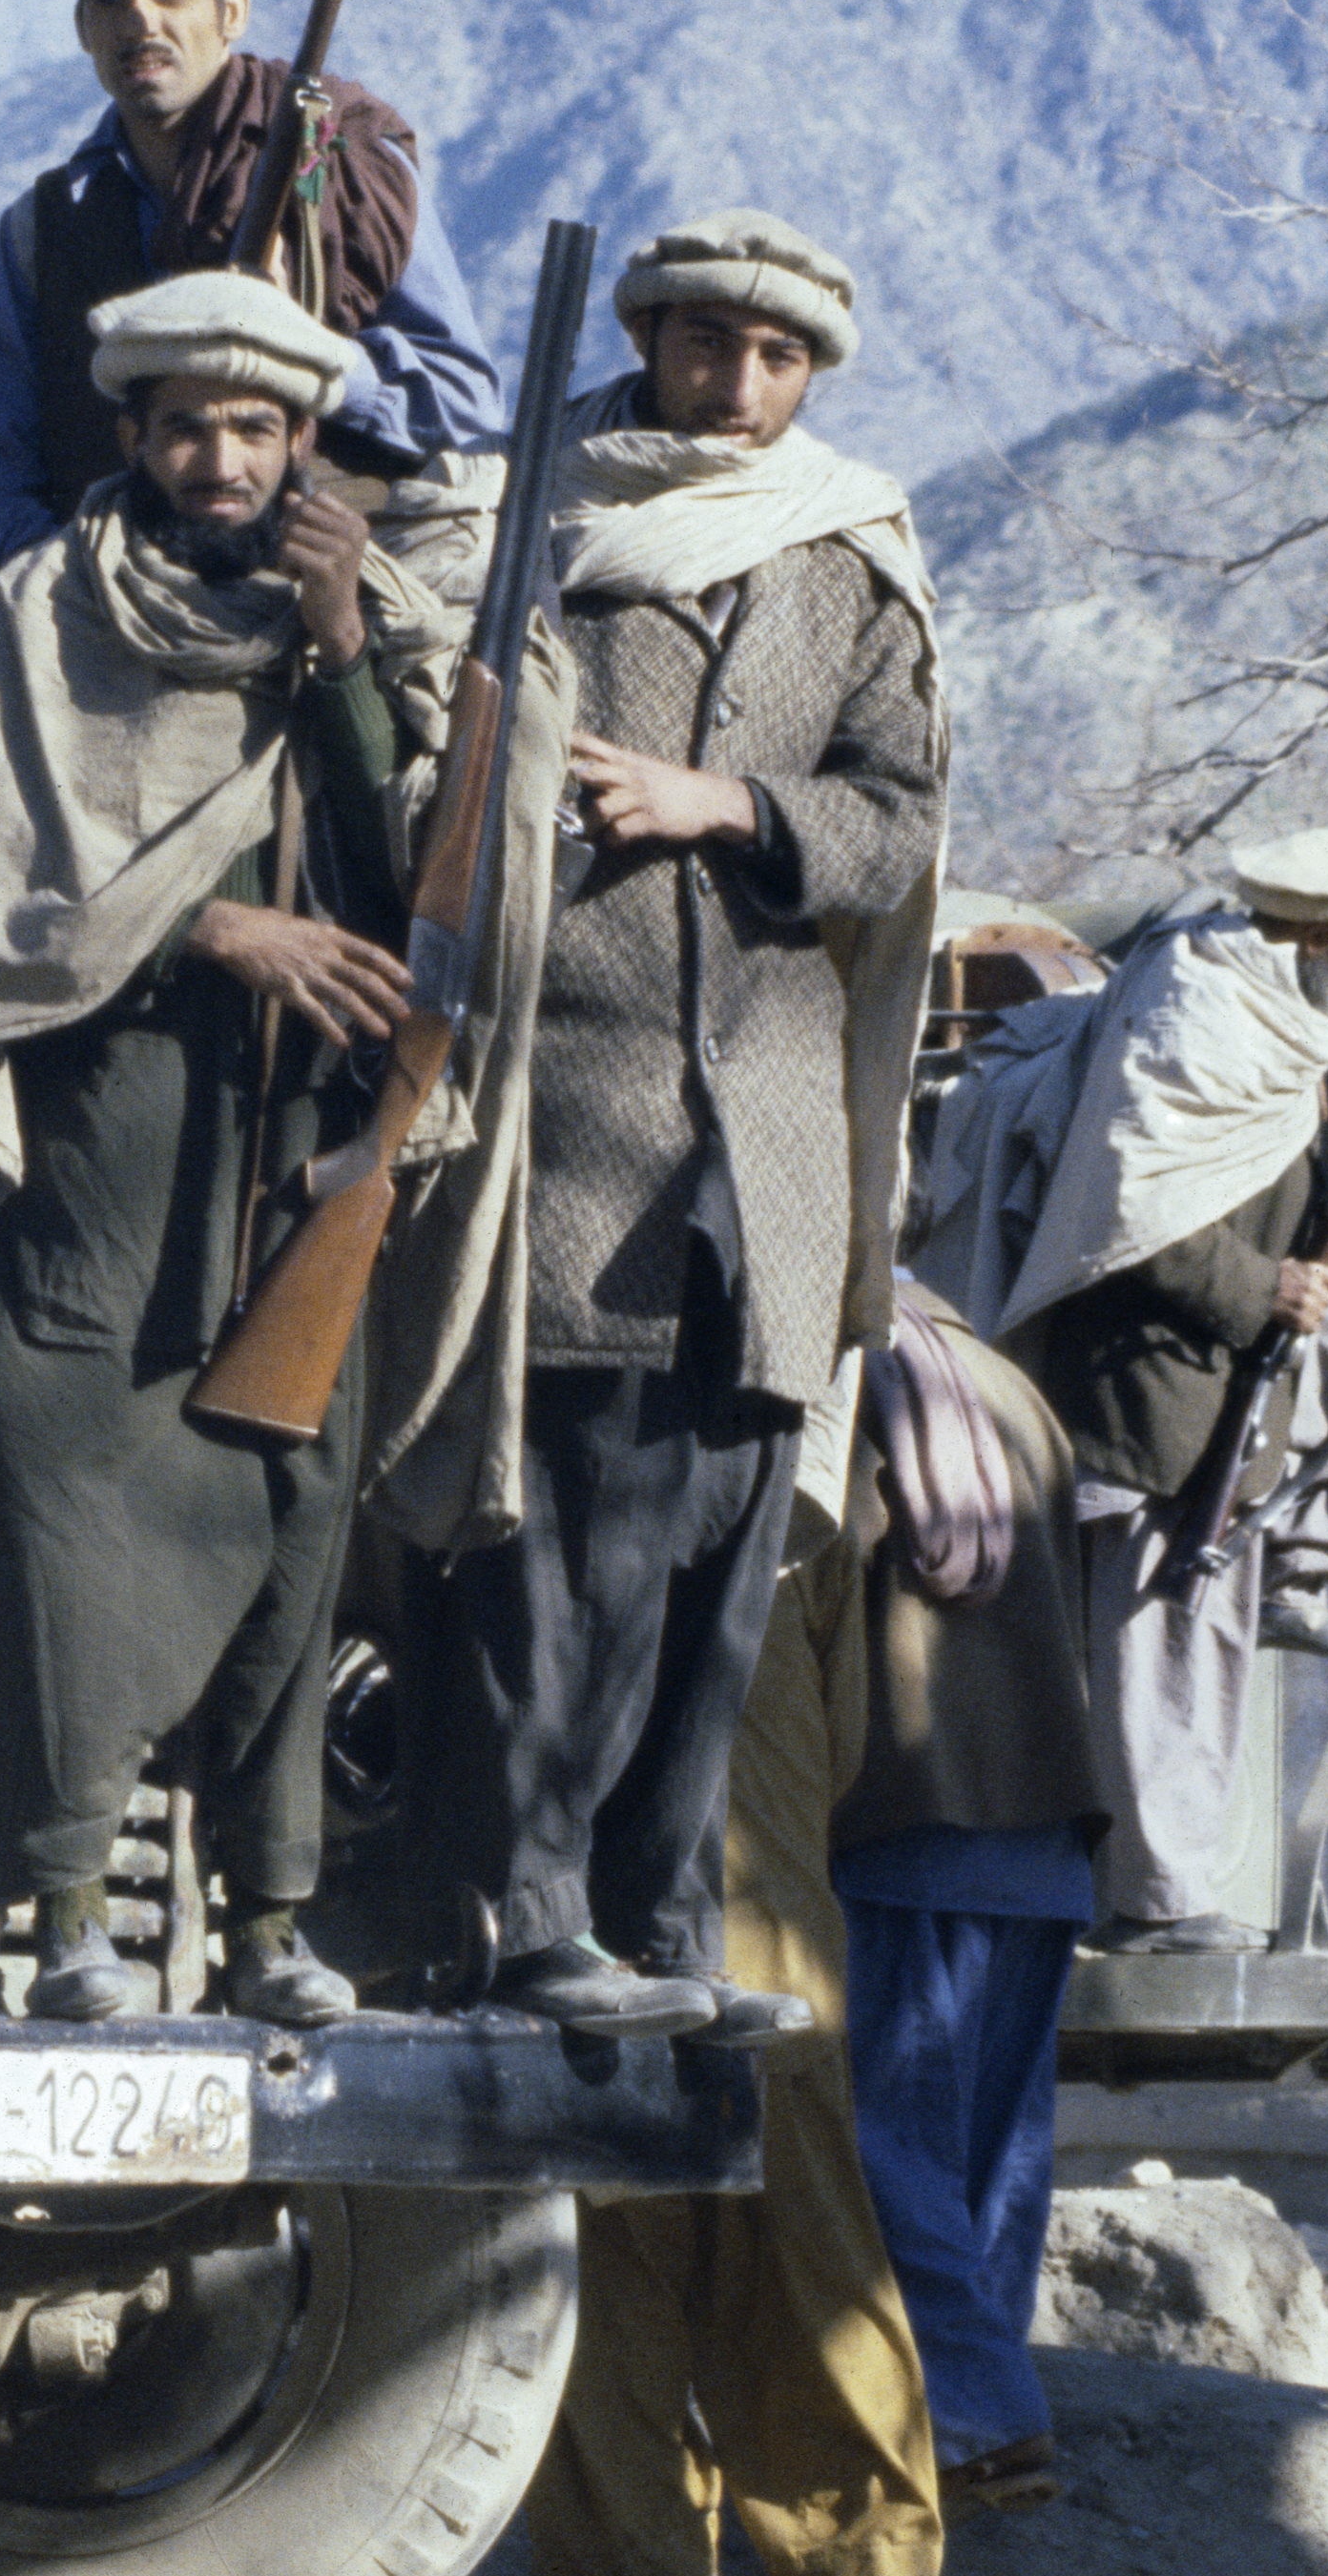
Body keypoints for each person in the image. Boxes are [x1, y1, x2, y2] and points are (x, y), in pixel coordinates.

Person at [382, 212, 945, 2039]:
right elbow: (426, 752)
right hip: (575, 1118)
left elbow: (891, 827)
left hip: (765, 1133)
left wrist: (720, 802)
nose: (737, 385)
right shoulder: (525, 521)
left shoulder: (848, 560)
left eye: (775, 358)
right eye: (706, 344)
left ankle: (665, 1918)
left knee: (716, 1544)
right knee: (553, 1536)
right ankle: (528, 1912)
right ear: (646, 338)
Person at [0, 270, 420, 2029]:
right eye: (185, 423)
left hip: (298, 1133)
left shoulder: (362, 610)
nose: (218, 457)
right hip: (106, 1114)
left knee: (289, 1495)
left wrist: (343, 649)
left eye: (254, 427)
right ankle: (63, 1913)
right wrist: (211, 927)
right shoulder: (42, 617)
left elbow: (411, 860)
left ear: (300, 446)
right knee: (69, 1492)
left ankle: (269, 1922)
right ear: (130, 432)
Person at [916, 832, 1328, 1952]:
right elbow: (1129, 1219)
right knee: (1164, 1644)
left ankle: (1290, 1566)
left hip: (1231, 1369)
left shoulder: (1261, 1010)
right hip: (1151, 1387)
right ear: (1315, 932)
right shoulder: (1195, 1017)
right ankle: (1155, 1905)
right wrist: (1268, 1288)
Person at [529, 1397, 946, 2576]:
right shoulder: (805, 1440)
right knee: (779, 2243)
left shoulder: (588, 1429)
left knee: (651, 2240)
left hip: (654, 1911)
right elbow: (861, 1726)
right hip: (714, 1911)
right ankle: (843, 2571)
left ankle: (658, 2575)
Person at [0, 0, 502, 584]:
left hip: (334, 603)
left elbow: (464, 403)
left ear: (229, 9)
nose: (140, 21)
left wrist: (318, 358)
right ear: (82, 28)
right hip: (108, 623)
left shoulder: (345, 170)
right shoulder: (40, 232)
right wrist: (75, 597)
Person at [832, 1287, 1113, 2515]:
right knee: (998, 2158)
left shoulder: (851, 1386)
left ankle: (985, 2411)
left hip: (914, 1809)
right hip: (1047, 1819)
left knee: (887, 2140)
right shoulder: (1011, 1389)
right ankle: (971, 2440)